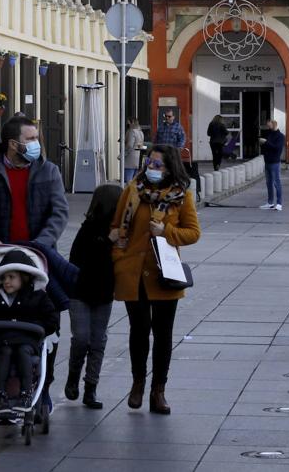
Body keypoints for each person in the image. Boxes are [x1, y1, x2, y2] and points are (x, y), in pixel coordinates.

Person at [0, 114, 69, 413]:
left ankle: (41, 387)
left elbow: (59, 212)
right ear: (13, 144)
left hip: (39, 260)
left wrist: (42, 242)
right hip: (0, 261)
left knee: (47, 325)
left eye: (37, 138)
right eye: (30, 139)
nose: (36, 144)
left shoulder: (49, 172)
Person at [111, 144, 201, 414]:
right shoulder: (131, 191)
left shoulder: (181, 196)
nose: (152, 168)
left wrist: (166, 231)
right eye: (150, 163)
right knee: (138, 332)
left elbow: (193, 233)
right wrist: (118, 257)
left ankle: (158, 390)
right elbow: (116, 227)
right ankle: (138, 384)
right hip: (133, 272)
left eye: (158, 165)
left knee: (163, 335)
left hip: (165, 275)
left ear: (170, 167)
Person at [0, 249, 59, 410]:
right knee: (5, 351)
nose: (6, 281)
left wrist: (37, 328)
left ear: (24, 277)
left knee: (23, 351)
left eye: (11, 277)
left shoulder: (37, 297)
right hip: (0, 341)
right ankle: (0, 392)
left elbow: (51, 320)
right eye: (4, 277)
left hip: (26, 340)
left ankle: (26, 392)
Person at [65, 183, 122, 410]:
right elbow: (81, 259)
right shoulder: (88, 229)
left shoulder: (119, 230)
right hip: (80, 292)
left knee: (98, 341)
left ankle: (91, 387)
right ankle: (73, 377)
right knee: (81, 338)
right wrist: (108, 240)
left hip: (104, 293)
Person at [259, 119, 285, 211]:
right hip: (267, 161)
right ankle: (270, 203)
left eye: (269, 126)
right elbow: (267, 147)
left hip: (275, 162)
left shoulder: (280, 136)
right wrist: (262, 144)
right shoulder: (269, 134)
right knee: (268, 183)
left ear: (274, 125)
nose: (268, 127)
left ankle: (279, 203)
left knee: (276, 183)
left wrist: (266, 142)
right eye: (267, 125)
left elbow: (277, 148)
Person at [124, 118, 145, 183]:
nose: (127, 125)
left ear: (132, 123)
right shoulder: (140, 132)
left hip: (130, 158)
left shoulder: (132, 131)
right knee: (135, 181)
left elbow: (130, 145)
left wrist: (124, 154)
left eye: (128, 123)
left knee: (128, 181)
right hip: (138, 158)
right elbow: (141, 144)